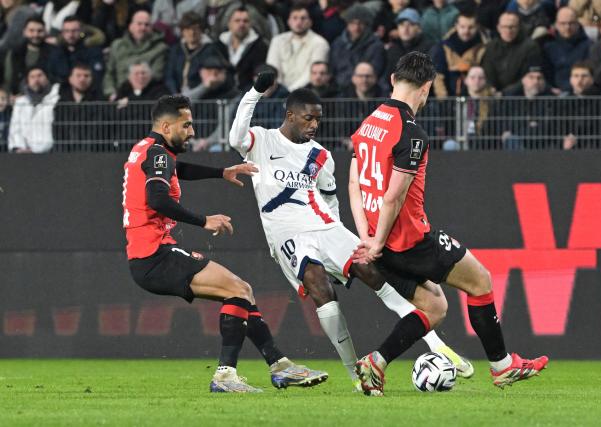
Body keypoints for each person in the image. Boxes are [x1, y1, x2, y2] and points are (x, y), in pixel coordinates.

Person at [228, 70, 473, 390]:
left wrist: (335, 236)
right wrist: (256, 91)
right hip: (287, 235)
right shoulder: (262, 140)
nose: (314, 126)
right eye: (308, 119)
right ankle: (355, 373)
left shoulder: (321, 156)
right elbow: (235, 139)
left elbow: (330, 198)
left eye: (318, 120)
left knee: (372, 271)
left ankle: (437, 346)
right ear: (289, 115)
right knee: (320, 289)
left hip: (327, 227)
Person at [350, 51, 548, 396]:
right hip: (408, 240)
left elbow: (354, 183)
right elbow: (393, 197)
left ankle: (375, 363)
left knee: (434, 308)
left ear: (393, 80)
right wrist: (379, 240)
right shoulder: (410, 132)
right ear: (427, 87)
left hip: (380, 240)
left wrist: (366, 235)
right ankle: (503, 368)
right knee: (480, 280)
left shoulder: (367, 124)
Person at [122, 94, 328, 393]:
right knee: (237, 289)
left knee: (241, 291)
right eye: (186, 125)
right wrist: (203, 220)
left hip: (148, 256)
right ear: (166, 127)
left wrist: (221, 172)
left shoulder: (148, 150)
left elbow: (178, 170)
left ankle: (279, 365)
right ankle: (226, 375)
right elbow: (157, 198)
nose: (192, 132)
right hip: (154, 255)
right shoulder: (159, 155)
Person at [102, 10, 167, 101]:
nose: (143, 28)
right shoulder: (117, 46)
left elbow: (156, 75)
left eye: (147, 25)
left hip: (147, 97)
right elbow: (109, 73)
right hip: (118, 96)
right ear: (131, 26)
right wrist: (111, 93)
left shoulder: (160, 48)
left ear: (152, 28)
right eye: (139, 24)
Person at [266, 5, 330, 91]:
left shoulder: (320, 43)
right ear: (289, 21)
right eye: (295, 18)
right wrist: (281, 91)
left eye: (303, 18)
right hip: (278, 92)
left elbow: (312, 73)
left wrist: (289, 92)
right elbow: (272, 68)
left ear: (310, 22)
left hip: (306, 92)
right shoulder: (277, 40)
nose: (299, 22)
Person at [481, 12, 542, 92]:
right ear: (498, 28)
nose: (508, 30)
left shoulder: (530, 46)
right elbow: (489, 73)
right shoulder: (491, 47)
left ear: (519, 27)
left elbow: (529, 76)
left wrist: (505, 93)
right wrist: (493, 90)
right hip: (495, 94)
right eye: (504, 27)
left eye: (512, 27)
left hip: (522, 94)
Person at [213, 6, 268, 91]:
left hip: (248, 94)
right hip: (222, 93)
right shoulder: (218, 45)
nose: (241, 24)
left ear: (250, 24)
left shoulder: (260, 46)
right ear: (229, 24)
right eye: (237, 21)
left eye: (245, 21)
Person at [8, 66, 59, 153]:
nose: (36, 79)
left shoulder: (56, 98)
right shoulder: (21, 102)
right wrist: (19, 148)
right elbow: (15, 128)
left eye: (40, 75)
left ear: (47, 78)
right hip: (24, 154)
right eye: (32, 77)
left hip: (51, 153)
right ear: (27, 81)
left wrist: (37, 150)